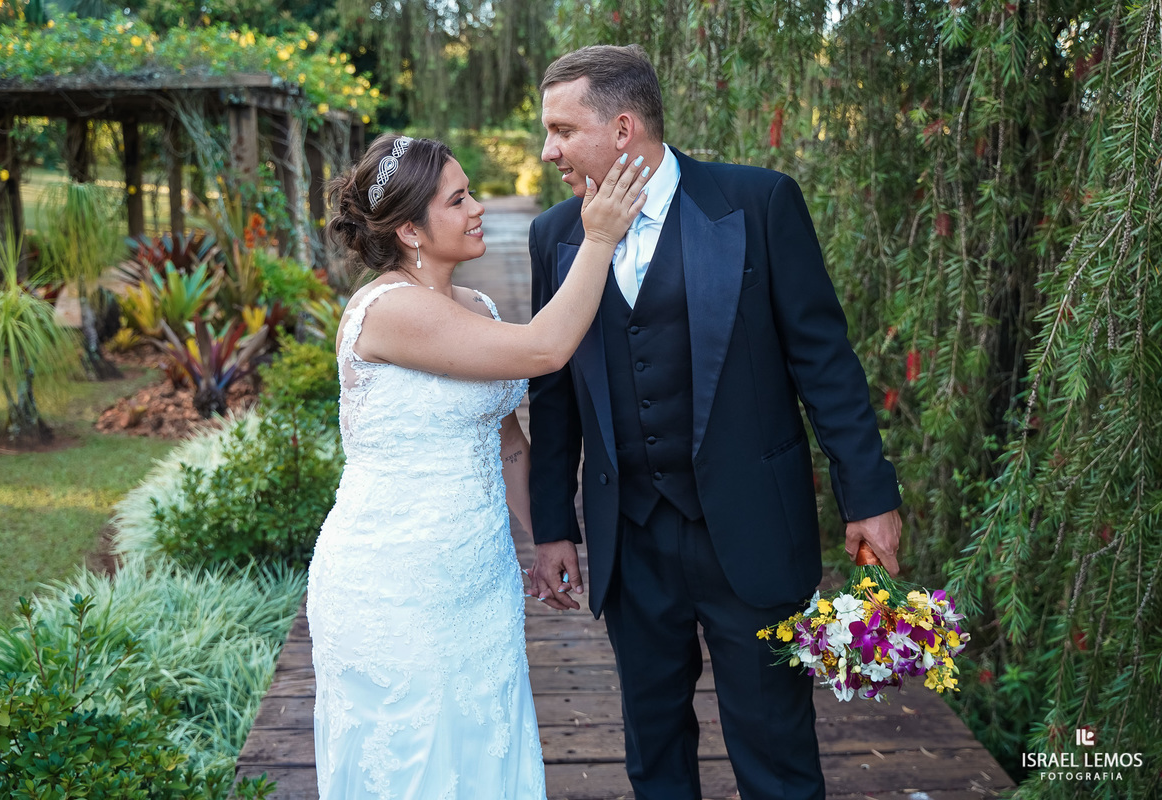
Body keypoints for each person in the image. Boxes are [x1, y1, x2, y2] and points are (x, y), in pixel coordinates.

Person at [526, 45, 904, 800]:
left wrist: (869, 496)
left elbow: (824, 362)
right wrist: (551, 526)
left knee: (775, 748)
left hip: (751, 527)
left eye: (564, 130)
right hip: (629, 536)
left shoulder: (757, 204)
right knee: (653, 746)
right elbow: (554, 393)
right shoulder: (555, 236)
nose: (549, 151)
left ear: (623, 127)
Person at [305, 132, 648, 799]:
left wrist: (546, 537)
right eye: (458, 199)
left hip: (479, 580)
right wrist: (600, 238)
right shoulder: (390, 310)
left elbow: (509, 443)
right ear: (409, 228)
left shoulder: (479, 309)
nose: (476, 209)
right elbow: (545, 349)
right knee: (415, 767)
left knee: (486, 754)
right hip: (394, 586)